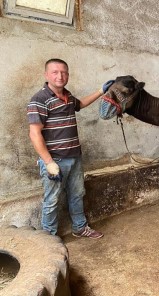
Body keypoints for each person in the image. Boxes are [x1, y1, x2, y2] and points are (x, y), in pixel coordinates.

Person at [27, 58, 114, 238]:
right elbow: (34, 134)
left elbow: (80, 104)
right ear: (46, 75)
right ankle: (48, 239)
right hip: (55, 160)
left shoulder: (68, 96)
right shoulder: (39, 99)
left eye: (64, 72)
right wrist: (49, 162)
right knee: (51, 200)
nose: (60, 76)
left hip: (74, 157)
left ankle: (80, 228)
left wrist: (100, 91)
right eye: (55, 72)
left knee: (77, 194)